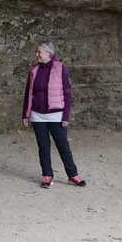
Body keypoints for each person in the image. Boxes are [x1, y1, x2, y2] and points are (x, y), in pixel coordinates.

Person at [23, 41, 86, 189]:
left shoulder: (61, 68)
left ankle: (73, 175)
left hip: (56, 114)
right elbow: (28, 93)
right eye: (36, 52)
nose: (36, 54)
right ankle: (47, 175)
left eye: (39, 52)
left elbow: (68, 93)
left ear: (48, 53)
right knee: (43, 147)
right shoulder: (34, 70)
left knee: (63, 146)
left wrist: (66, 116)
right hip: (37, 114)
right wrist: (25, 114)